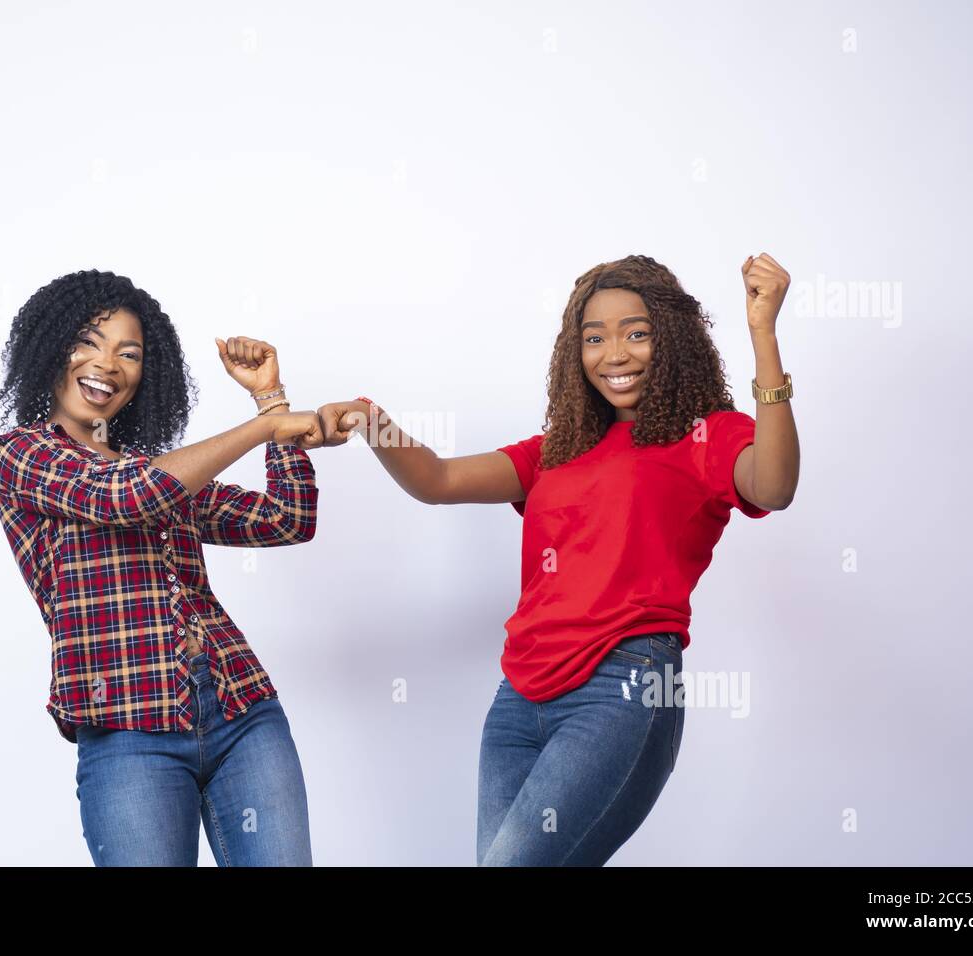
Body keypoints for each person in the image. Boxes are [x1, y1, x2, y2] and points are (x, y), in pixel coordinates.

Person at [315, 253, 800, 865]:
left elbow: (775, 486)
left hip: (623, 683)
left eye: (637, 332)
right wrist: (369, 420)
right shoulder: (557, 451)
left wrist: (763, 334)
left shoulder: (708, 436)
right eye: (594, 338)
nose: (614, 354)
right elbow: (435, 479)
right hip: (518, 697)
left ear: (672, 339)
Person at [0, 268, 326, 866]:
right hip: (125, 732)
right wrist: (263, 428)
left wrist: (270, 398)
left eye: (130, 353)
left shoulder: (162, 471)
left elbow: (286, 519)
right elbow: (126, 497)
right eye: (88, 341)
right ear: (51, 347)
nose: (108, 364)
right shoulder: (23, 455)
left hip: (239, 709)